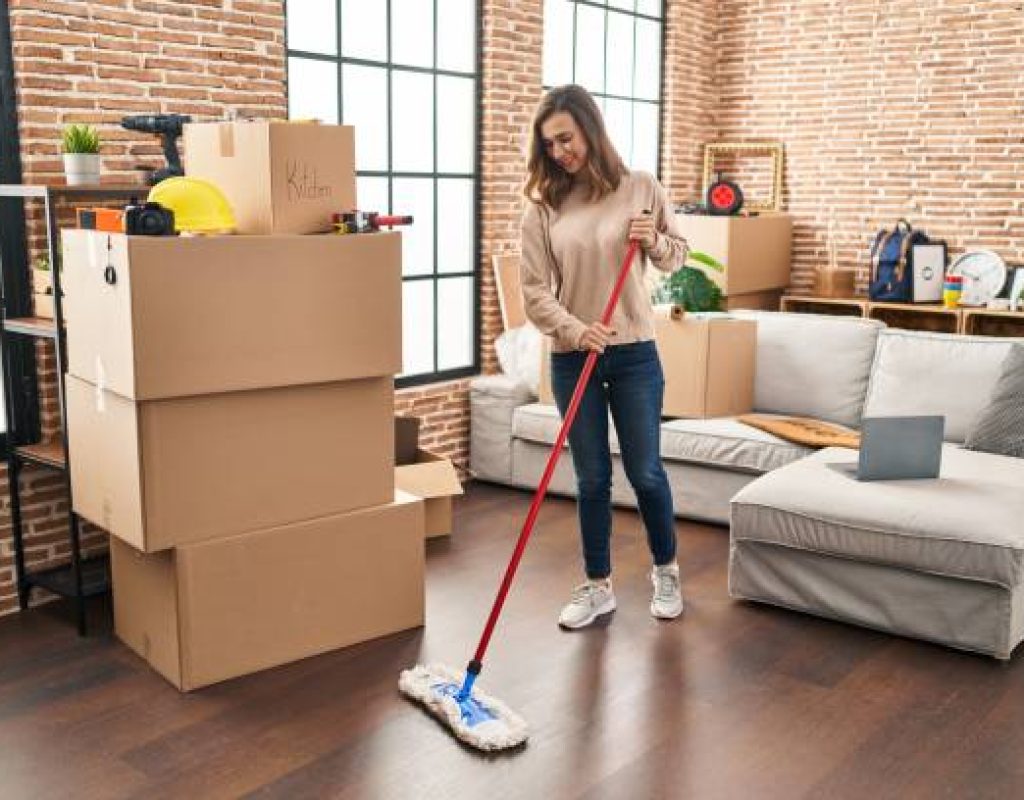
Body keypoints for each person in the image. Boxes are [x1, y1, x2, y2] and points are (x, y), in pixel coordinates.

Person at [520, 84, 689, 630]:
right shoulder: (544, 207)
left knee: (645, 471)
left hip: (635, 353)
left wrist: (655, 242)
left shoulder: (640, 187)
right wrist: (574, 330)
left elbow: (675, 257)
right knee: (591, 478)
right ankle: (598, 586)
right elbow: (534, 292)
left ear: (590, 129)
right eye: (550, 144)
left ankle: (666, 571)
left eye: (566, 138)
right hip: (575, 358)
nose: (560, 152)